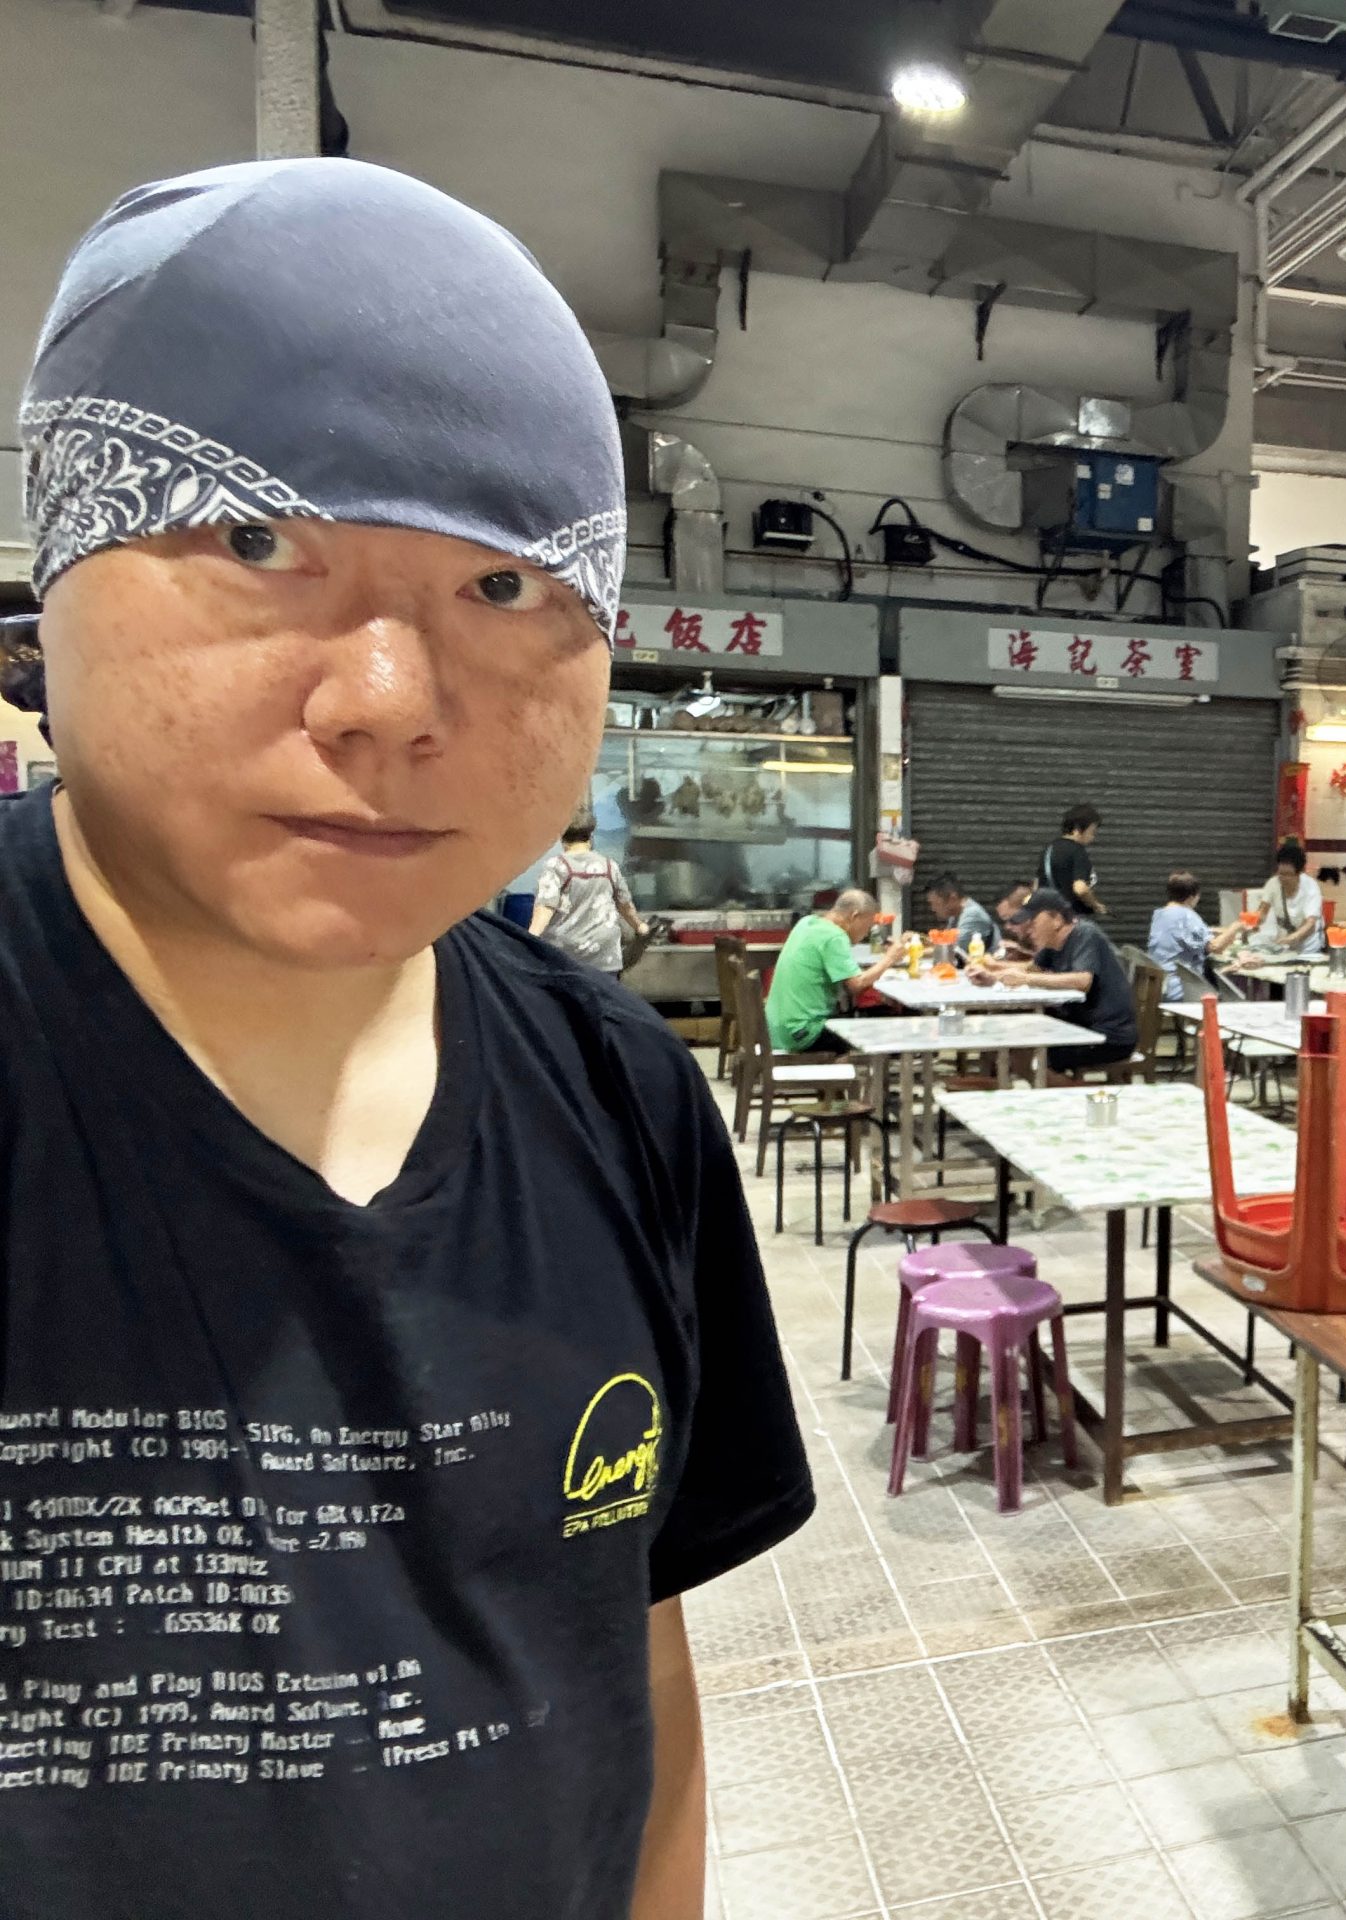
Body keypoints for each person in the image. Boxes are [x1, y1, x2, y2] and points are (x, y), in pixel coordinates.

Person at [0, 159, 811, 1918]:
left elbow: (638, 1673)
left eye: (507, 588)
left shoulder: (622, 1095)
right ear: (55, 569)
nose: (390, 702)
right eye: (255, 542)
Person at [971, 888, 1135, 1073]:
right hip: (1076, 1023)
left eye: (1034, 921)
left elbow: (1083, 980)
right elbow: (1029, 969)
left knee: (1029, 1057)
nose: (1028, 927)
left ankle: (1083, 1091)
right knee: (1008, 1034)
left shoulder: (1084, 934)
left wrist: (1026, 979)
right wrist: (991, 975)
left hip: (1107, 1035)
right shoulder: (1051, 943)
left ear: (1056, 919)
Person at [764, 887, 895, 1052]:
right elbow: (856, 985)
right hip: (803, 1032)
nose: (866, 934)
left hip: (776, 1029)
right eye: (867, 926)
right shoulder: (834, 937)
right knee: (877, 1034)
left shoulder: (807, 923)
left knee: (857, 1020)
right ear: (854, 916)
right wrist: (890, 958)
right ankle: (851, 1067)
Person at [529, 807, 646, 976]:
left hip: (565, 957)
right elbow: (624, 905)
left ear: (561, 836)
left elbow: (545, 908)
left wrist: (529, 939)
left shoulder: (555, 866)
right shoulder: (609, 866)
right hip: (604, 956)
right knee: (603, 994)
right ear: (590, 836)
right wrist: (639, 926)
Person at [1148, 869, 1242, 1001]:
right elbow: (1215, 947)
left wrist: (1216, 931)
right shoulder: (1188, 916)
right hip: (1180, 989)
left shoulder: (1160, 914)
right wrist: (1236, 927)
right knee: (1228, 996)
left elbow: (1183, 933)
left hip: (1158, 986)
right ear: (1192, 897)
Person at [1244, 838, 1325, 954]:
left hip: (1307, 948)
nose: (1283, 879)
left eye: (1288, 874)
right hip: (1283, 945)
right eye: (1281, 874)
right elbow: (1262, 911)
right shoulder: (1273, 883)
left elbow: (1310, 924)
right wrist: (1254, 923)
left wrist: (1293, 938)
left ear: (1299, 873)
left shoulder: (1311, 888)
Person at [1041, 802, 1106, 918]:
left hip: (1048, 918)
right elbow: (1080, 888)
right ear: (1077, 829)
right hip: (1071, 919)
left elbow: (1037, 885)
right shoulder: (1077, 851)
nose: (1092, 838)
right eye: (1092, 832)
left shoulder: (1049, 849)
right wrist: (1095, 904)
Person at [923, 870, 999, 956]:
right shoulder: (954, 915)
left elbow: (953, 950)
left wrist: (918, 951)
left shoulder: (973, 915)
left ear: (952, 898)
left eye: (935, 903)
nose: (933, 908)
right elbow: (944, 942)